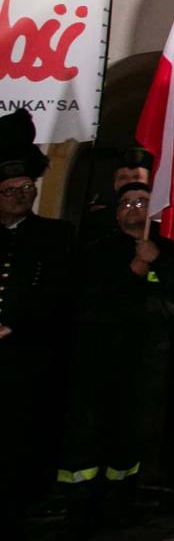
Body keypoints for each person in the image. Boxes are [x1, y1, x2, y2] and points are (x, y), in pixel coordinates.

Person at [55, 181, 174, 530]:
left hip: (144, 358)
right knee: (88, 433)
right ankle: (80, 505)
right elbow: (90, 302)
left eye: (142, 203)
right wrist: (135, 271)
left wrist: (158, 263)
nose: (134, 209)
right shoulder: (96, 251)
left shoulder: (165, 248)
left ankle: (120, 498)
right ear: (116, 211)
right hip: (98, 358)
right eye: (127, 203)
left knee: (131, 432)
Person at [0, 117, 74, 514]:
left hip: (28, 352)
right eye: (10, 190)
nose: (20, 195)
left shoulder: (55, 236)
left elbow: (55, 292)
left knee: (21, 435)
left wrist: (16, 324)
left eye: (26, 189)